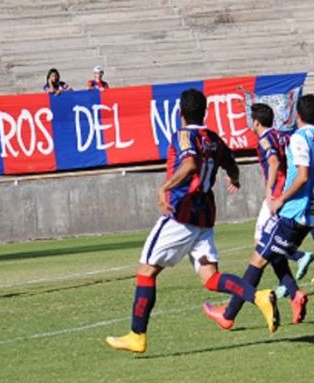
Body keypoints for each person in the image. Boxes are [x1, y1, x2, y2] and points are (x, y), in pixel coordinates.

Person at [106, 89, 277, 354]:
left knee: (146, 271)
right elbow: (232, 165)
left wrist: (164, 188)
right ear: (205, 112)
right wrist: (234, 178)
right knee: (210, 277)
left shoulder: (184, 135)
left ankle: (137, 334)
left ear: (181, 112)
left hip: (181, 213)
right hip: (204, 217)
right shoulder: (214, 139)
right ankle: (258, 296)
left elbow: (189, 165)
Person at [203, 95, 314, 330]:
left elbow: (285, 167)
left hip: (289, 207)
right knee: (272, 252)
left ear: (298, 116)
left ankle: (229, 313)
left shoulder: (289, 138)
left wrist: (273, 195)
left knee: (258, 257)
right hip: (305, 210)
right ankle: (294, 293)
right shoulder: (283, 136)